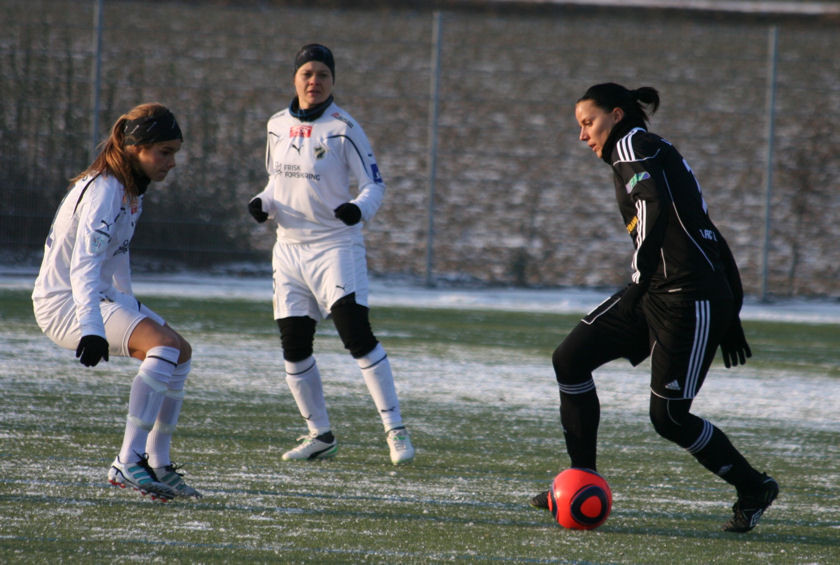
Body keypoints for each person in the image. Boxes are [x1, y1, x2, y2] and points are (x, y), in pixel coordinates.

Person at [529, 83, 777, 532]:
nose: (584, 135)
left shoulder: (631, 146)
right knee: (570, 359)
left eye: (589, 122)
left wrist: (645, 272)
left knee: (669, 419)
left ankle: (753, 486)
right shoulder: (649, 149)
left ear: (617, 115)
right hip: (658, 292)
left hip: (687, 298)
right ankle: (580, 480)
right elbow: (710, 234)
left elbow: (653, 205)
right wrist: (731, 311)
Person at [247, 43, 414, 465]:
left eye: (323, 74)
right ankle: (319, 435)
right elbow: (276, 183)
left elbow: (375, 185)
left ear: (332, 80)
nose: (314, 81)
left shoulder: (344, 128)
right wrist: (262, 203)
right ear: (294, 79)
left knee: (356, 337)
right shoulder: (276, 126)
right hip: (288, 251)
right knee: (294, 346)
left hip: (335, 247)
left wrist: (357, 209)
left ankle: (395, 430)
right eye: (307, 74)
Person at [32, 103, 201, 501]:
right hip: (65, 304)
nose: (172, 162)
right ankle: (128, 460)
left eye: (175, 151)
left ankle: (158, 463)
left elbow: (116, 257)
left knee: (181, 352)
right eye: (165, 152)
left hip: (95, 295)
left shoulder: (128, 190)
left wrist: (130, 305)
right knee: (161, 346)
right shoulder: (105, 189)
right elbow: (84, 266)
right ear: (136, 148)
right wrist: (92, 327)